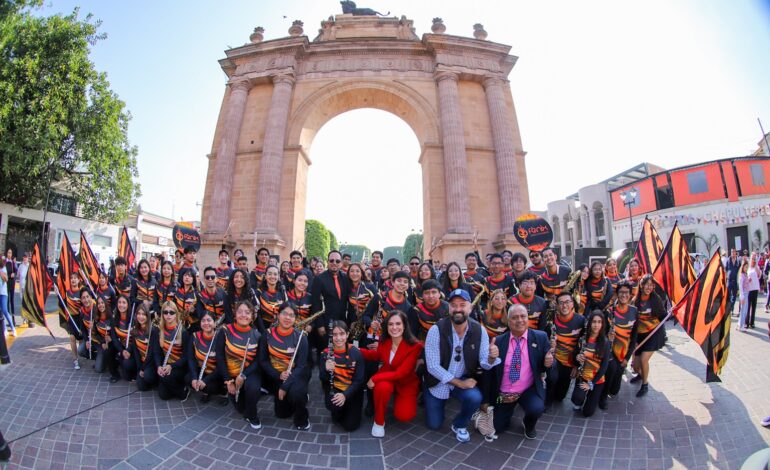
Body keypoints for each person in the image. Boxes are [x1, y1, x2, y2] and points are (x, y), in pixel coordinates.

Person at [424, 288, 500, 442]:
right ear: (448, 308)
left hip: (462, 378)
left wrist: (492, 358)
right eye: (453, 305)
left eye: (462, 304)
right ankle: (435, 403)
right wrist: (460, 383)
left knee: (474, 397)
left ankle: (459, 424)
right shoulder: (436, 330)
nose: (458, 309)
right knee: (434, 424)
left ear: (470, 308)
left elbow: (485, 364)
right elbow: (432, 366)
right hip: (438, 382)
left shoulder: (479, 331)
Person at [488, 304, 552, 439]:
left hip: (526, 390)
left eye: (523, 316)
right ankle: (507, 409)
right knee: (497, 427)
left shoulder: (540, 337)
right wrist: (490, 358)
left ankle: (528, 423)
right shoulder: (499, 341)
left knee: (536, 408)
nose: (519, 320)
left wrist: (549, 363)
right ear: (508, 321)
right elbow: (489, 371)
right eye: (515, 317)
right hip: (504, 394)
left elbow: (549, 363)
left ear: (528, 318)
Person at [359, 310, 423, 438]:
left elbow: (401, 373)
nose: (394, 327)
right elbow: (376, 355)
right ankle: (379, 421)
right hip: (387, 377)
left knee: (404, 416)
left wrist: (374, 378)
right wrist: (356, 350)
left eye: (398, 324)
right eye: (390, 324)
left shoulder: (415, 346)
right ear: (386, 326)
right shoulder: (384, 341)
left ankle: (398, 398)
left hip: (406, 382)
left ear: (404, 326)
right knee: (382, 387)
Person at [259, 303, 311, 430]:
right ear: (278, 315)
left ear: (295, 319)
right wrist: (278, 375)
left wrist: (284, 387)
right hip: (277, 375)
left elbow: (301, 366)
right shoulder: (267, 334)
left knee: (296, 394)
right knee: (282, 414)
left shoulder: (301, 337)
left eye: (292, 315)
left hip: (296, 375)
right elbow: (263, 361)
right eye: (285, 314)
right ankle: (296, 397)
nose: (288, 318)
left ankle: (302, 418)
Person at [217, 301, 262, 428]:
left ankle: (253, 416)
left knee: (253, 389)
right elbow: (220, 357)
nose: (244, 315)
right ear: (235, 314)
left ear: (252, 316)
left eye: (247, 312)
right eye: (240, 312)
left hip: (248, 373)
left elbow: (258, 361)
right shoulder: (225, 330)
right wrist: (228, 381)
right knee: (241, 409)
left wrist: (243, 375)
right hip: (230, 375)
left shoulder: (257, 335)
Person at [320, 321, 366, 431]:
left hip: (352, 392)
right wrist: (326, 370)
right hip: (336, 389)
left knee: (350, 426)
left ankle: (349, 409)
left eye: (341, 334)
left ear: (347, 334)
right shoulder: (325, 354)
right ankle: (339, 411)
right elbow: (322, 379)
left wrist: (345, 395)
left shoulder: (356, 353)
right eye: (334, 335)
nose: (338, 338)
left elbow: (359, 380)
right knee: (334, 408)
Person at [601, 281, 638, 408]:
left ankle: (608, 389)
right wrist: (607, 337)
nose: (623, 295)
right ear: (616, 294)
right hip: (610, 352)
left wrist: (627, 358)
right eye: (621, 292)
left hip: (623, 353)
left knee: (615, 391)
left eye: (626, 293)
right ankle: (602, 397)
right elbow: (601, 335)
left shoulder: (634, 311)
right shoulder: (609, 312)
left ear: (630, 295)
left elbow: (634, 338)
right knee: (611, 369)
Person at [546, 291, 585, 406]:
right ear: (557, 305)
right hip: (555, 359)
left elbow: (583, 345)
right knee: (552, 379)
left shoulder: (581, 321)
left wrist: (576, 366)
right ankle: (547, 399)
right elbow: (544, 337)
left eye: (567, 302)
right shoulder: (551, 318)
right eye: (561, 303)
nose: (564, 306)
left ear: (572, 303)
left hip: (570, 362)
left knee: (560, 397)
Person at [631, 274, 667, 397]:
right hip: (639, 336)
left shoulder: (655, 299)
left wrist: (671, 314)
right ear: (641, 285)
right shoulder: (635, 301)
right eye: (647, 284)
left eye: (651, 285)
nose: (649, 287)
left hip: (653, 334)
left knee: (643, 359)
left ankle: (645, 384)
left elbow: (663, 316)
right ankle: (640, 375)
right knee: (636, 367)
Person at [571, 310, 610, 417]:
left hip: (597, 380)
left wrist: (591, 384)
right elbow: (575, 356)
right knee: (576, 399)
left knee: (587, 413)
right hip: (583, 376)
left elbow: (604, 366)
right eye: (594, 322)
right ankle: (581, 398)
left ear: (602, 324)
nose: (596, 325)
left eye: (599, 322)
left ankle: (593, 397)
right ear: (590, 323)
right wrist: (577, 357)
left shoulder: (605, 342)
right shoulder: (583, 339)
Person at [154, 301, 190, 400]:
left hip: (179, 366)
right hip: (166, 365)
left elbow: (187, 357)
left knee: (167, 378)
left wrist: (172, 366)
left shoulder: (183, 332)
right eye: (165, 312)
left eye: (171, 312)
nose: (168, 315)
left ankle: (183, 390)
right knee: (164, 396)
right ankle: (171, 384)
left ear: (176, 314)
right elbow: (156, 352)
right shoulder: (159, 330)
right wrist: (159, 366)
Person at [187, 310, 225, 402]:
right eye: (203, 321)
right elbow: (191, 359)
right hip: (203, 370)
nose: (206, 323)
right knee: (188, 379)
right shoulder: (195, 336)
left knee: (209, 386)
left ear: (215, 323)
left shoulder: (221, 338)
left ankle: (224, 392)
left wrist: (206, 380)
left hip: (217, 374)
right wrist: (194, 378)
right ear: (200, 323)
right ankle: (205, 390)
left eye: (209, 320)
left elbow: (222, 365)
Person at [311, 251, 349, 340]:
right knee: (327, 350)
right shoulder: (319, 279)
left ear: (341, 263)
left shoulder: (346, 278)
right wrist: (320, 325)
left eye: (337, 261)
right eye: (331, 261)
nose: (334, 263)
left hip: (342, 322)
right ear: (327, 262)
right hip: (326, 323)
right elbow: (315, 303)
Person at [132, 302, 158, 391]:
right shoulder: (134, 330)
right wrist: (140, 367)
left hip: (151, 364)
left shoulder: (153, 331)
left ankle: (155, 380)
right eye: (139, 314)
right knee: (141, 387)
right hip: (142, 363)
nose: (141, 317)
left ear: (148, 316)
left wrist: (143, 369)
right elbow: (136, 352)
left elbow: (152, 353)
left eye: (143, 314)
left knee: (147, 376)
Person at [92, 296, 119, 381]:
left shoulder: (111, 316)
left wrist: (111, 338)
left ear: (105, 304)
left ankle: (115, 374)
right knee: (98, 369)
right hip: (103, 343)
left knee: (109, 352)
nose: (100, 305)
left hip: (113, 342)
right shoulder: (96, 318)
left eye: (102, 303)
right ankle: (104, 361)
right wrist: (102, 342)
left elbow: (116, 332)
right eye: (99, 303)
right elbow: (96, 334)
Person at [60, 271, 83, 369]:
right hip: (72, 319)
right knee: (72, 338)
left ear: (79, 280)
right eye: (72, 278)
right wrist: (57, 294)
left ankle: (81, 353)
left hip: (81, 319)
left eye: (75, 278)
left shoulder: (82, 292)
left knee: (81, 339)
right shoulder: (67, 292)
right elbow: (62, 303)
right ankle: (75, 359)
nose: (73, 280)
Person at [110, 295, 136, 382]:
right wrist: (122, 351)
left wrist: (128, 350)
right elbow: (114, 338)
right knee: (109, 349)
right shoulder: (114, 319)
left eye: (124, 302)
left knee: (127, 377)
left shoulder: (134, 319)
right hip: (121, 348)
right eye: (119, 302)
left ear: (128, 305)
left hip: (132, 349)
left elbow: (136, 339)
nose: (121, 305)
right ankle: (114, 374)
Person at [746, 254, 761, 329]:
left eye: (755, 259)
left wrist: (756, 266)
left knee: (754, 306)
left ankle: (752, 322)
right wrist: (748, 278)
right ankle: (746, 322)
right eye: (752, 258)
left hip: (755, 288)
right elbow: (745, 275)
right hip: (749, 289)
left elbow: (759, 275)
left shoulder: (756, 267)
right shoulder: (748, 267)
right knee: (748, 306)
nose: (753, 260)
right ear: (750, 259)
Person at [725, 249, 741, 315]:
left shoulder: (738, 261)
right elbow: (725, 269)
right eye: (732, 252)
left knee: (734, 296)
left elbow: (740, 269)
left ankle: (731, 308)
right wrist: (726, 277)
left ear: (736, 253)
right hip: (729, 281)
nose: (733, 253)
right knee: (728, 295)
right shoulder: (728, 260)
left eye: (734, 252)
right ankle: (728, 308)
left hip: (735, 281)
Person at [0, 260, 13, 338]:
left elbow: (6, 279)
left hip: (3, 293)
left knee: (5, 311)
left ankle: (12, 328)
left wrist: (0, 272)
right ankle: (4, 330)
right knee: (0, 313)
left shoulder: (3, 268)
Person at [738, 260, 751, 331]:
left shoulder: (745, 274)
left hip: (746, 293)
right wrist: (742, 296)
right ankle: (741, 325)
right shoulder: (742, 275)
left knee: (744, 310)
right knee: (744, 310)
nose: (746, 268)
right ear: (742, 267)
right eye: (745, 267)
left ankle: (739, 324)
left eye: (747, 267)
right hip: (744, 294)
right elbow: (740, 286)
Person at [4, 249, 16, 321]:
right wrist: (9, 276)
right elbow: (3, 273)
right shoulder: (5, 262)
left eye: (10, 253)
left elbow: (16, 271)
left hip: (12, 283)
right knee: (7, 300)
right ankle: (8, 318)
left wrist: (14, 274)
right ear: (6, 254)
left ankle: (13, 317)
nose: (9, 254)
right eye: (8, 253)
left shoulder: (12, 262)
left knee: (12, 300)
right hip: (7, 283)